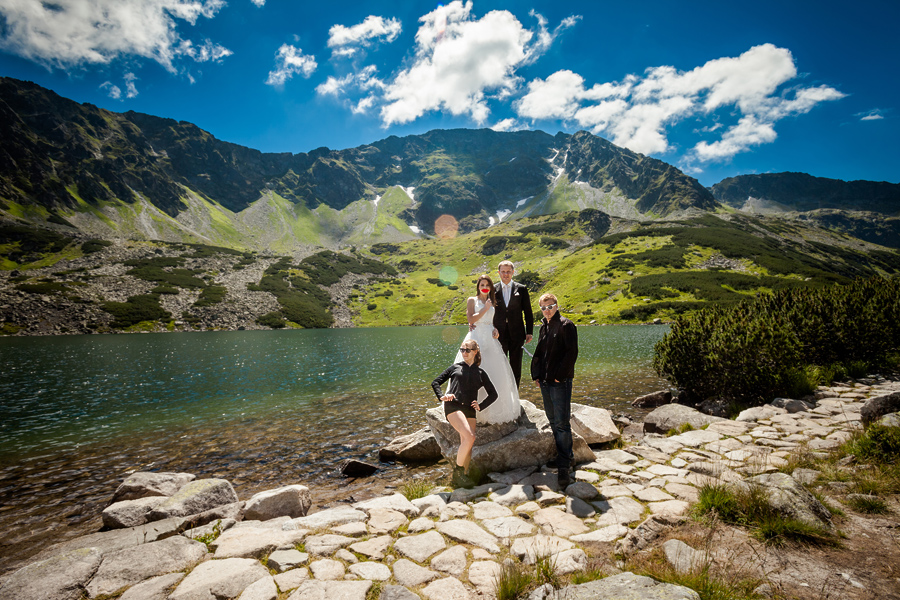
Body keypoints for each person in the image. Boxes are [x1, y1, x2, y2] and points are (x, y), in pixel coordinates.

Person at [454, 275, 523, 424]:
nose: (484, 286)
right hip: (476, 336)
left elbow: (492, 320)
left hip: (490, 339)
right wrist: (485, 309)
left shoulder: (492, 301)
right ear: (478, 286)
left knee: (494, 370)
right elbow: (471, 320)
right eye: (482, 284)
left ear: (491, 287)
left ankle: (495, 408)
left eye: (487, 284)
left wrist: (495, 329)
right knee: (472, 369)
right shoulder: (472, 300)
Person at [431, 339, 498, 488]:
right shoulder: (455, 367)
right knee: (470, 437)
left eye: (467, 350)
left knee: (468, 444)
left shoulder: (481, 373)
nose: (464, 353)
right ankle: (458, 473)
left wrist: (481, 405)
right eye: (462, 350)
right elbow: (435, 382)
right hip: (453, 406)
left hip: (469, 409)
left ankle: (464, 477)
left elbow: (493, 394)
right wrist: (442, 396)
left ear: (475, 352)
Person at [530, 293, 578, 489]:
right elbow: (541, 353)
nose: (547, 310)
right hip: (546, 381)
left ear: (557, 306)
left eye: (550, 306)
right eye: (544, 307)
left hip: (560, 381)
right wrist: (537, 375)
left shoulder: (567, 325)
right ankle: (567, 457)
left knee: (562, 423)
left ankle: (564, 465)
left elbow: (572, 352)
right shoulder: (544, 326)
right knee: (552, 420)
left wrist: (560, 375)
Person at [493, 260, 534, 387]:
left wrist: (529, 332)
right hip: (498, 334)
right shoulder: (493, 289)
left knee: (516, 365)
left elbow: (528, 312)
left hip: (517, 334)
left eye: (508, 272)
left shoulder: (521, 289)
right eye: (503, 272)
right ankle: (500, 392)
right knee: (500, 364)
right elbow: (489, 312)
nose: (506, 274)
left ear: (513, 272)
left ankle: (515, 394)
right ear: (499, 272)